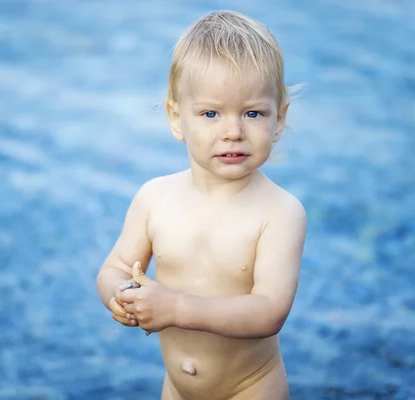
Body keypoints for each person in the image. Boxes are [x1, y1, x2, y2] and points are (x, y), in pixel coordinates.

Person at [96, 9, 306, 400]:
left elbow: (269, 311)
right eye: (210, 113)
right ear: (177, 118)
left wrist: (174, 309)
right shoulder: (155, 198)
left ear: (279, 120)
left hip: (251, 386)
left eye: (253, 113)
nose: (232, 132)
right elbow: (115, 267)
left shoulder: (280, 212)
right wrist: (122, 295)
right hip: (176, 388)